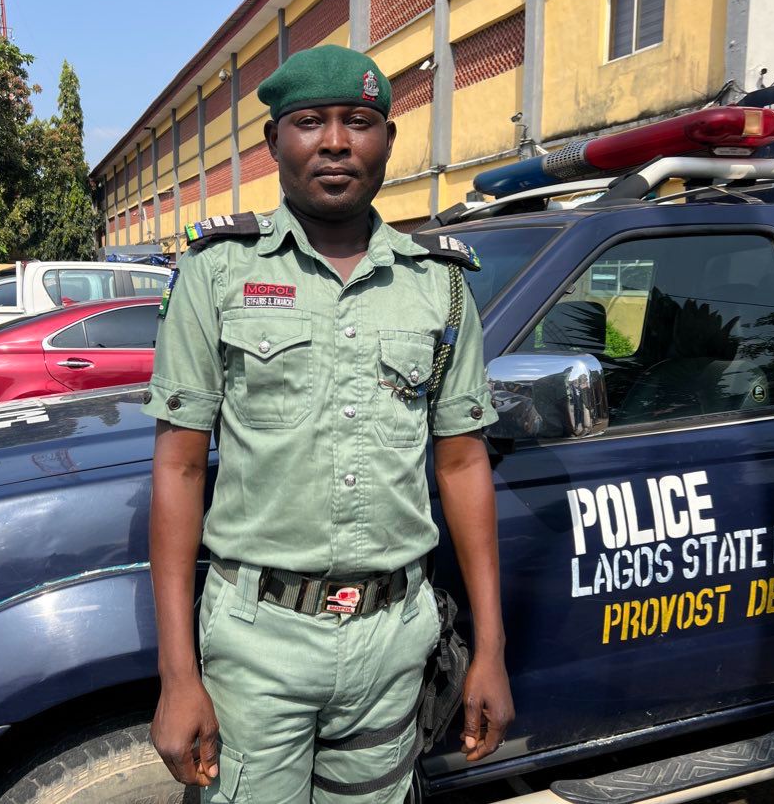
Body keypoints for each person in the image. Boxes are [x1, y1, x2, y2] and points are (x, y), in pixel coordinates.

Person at [143, 44, 513, 802]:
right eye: (310, 121)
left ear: (388, 140)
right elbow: (179, 467)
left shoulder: (439, 284)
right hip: (258, 641)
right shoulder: (218, 271)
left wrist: (491, 648)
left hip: (393, 638)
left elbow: (463, 464)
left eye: (360, 121)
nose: (336, 141)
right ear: (274, 140)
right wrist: (179, 673)